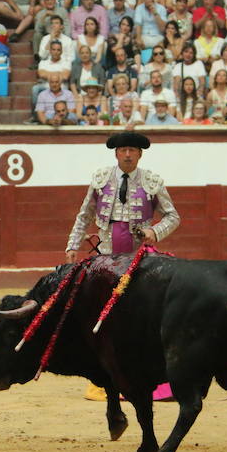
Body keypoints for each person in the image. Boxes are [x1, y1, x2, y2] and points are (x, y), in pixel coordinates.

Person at [65, 132, 180, 401]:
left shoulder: (152, 181)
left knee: (145, 318)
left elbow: (173, 216)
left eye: (132, 150)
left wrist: (156, 231)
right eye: (123, 149)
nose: (127, 154)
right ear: (116, 153)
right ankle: (102, 380)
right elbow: (85, 216)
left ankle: (153, 380)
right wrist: (72, 244)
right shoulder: (100, 179)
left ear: (140, 154)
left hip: (141, 259)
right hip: (105, 257)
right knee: (101, 317)